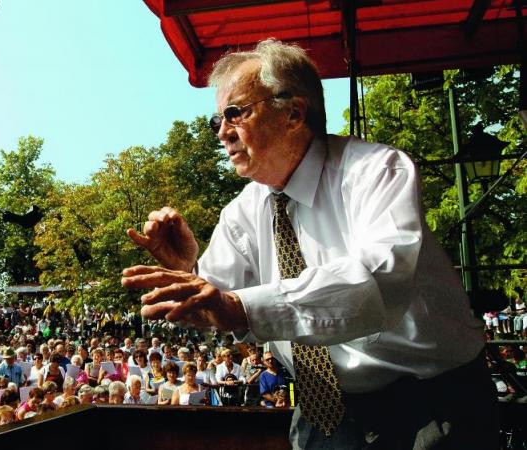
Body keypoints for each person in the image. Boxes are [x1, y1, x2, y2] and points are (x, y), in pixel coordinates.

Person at [121, 38, 496, 449]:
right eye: (217, 121)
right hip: (325, 407)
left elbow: (381, 278)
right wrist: (186, 273)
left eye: (235, 113)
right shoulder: (241, 212)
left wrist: (238, 306)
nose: (222, 132)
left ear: (294, 113)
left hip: (431, 404)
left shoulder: (375, 170)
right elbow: (219, 306)